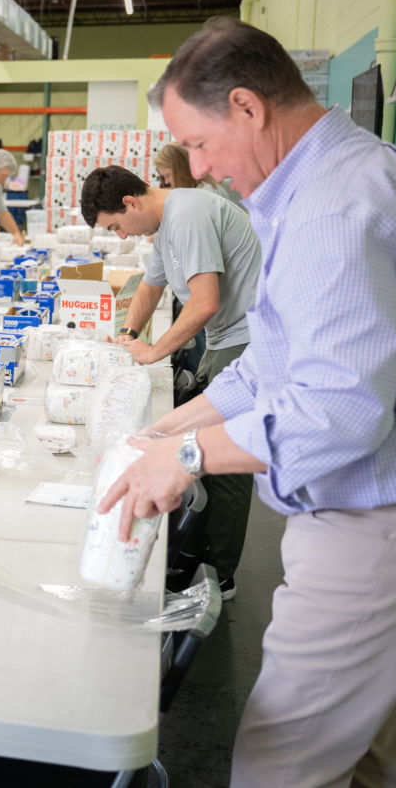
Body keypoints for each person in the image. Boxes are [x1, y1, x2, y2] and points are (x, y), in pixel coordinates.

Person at [100, 16, 396, 788]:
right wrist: (166, 426)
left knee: (283, 762)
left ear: (247, 106)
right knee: (371, 754)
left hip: (372, 525)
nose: (197, 167)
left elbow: (337, 411)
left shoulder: (332, 209)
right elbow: (271, 364)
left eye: (198, 144)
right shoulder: (336, 179)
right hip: (368, 509)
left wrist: (192, 457)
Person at [80, 164, 261, 599]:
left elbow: (204, 304)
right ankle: (197, 552)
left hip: (247, 342)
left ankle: (220, 572)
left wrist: (154, 351)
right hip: (228, 339)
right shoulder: (164, 226)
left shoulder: (188, 213)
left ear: (131, 202)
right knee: (194, 439)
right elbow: (149, 286)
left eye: (116, 226)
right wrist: (127, 336)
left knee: (225, 462)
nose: (120, 236)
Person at [154, 141, 245, 209]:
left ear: (181, 171)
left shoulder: (207, 193)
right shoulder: (203, 187)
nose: (166, 182)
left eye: (168, 175)